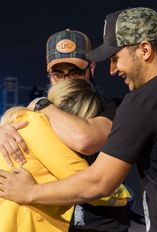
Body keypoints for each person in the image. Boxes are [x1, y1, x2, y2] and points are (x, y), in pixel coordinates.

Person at [1, 6, 157, 231]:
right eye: (58, 72)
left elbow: (100, 182)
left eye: (116, 57)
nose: (112, 69)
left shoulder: (144, 100)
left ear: (144, 50)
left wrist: (29, 192)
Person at [0, 29, 132, 231]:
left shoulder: (110, 107)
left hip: (98, 223)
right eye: (58, 73)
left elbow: (85, 140)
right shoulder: (34, 115)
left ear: (91, 68)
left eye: (75, 72)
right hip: (55, 220)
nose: (66, 80)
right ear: (48, 72)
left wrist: (43, 106)